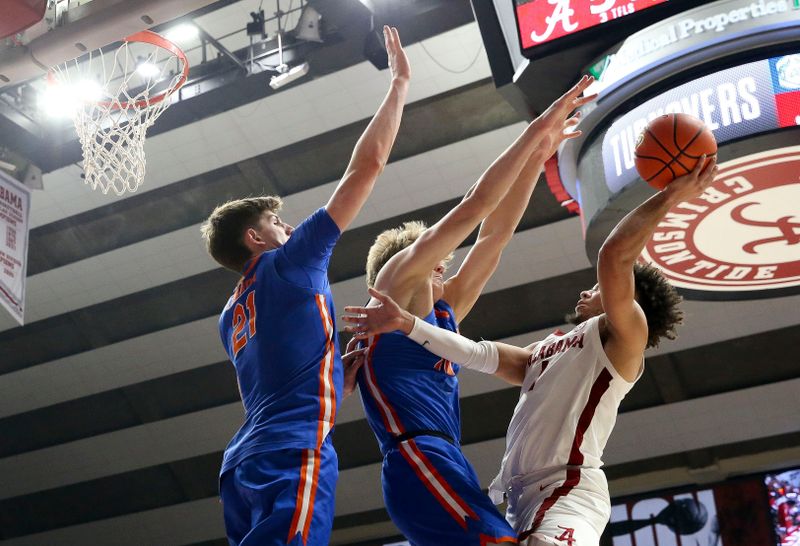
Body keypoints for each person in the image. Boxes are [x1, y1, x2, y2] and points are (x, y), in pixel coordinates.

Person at [343, 156, 718, 546]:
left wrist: (671, 195)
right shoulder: (547, 350)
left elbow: (614, 255)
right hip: (517, 499)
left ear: (627, 298)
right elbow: (475, 353)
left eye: (600, 287)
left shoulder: (625, 338)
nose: (587, 290)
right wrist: (409, 325)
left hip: (571, 488)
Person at [346, 76, 596, 545]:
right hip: (416, 456)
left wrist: (537, 161)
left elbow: (493, 235)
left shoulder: (438, 317)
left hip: (443, 458)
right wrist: (537, 131)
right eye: (440, 257)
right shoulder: (394, 282)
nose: (449, 261)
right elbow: (474, 207)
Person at [199, 27, 410, 546]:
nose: (288, 228)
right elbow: (367, 166)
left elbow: (283, 374)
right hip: (290, 448)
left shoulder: (230, 318)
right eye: (277, 221)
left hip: (244, 462)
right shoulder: (290, 263)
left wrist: (337, 375)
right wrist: (400, 83)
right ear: (255, 238)